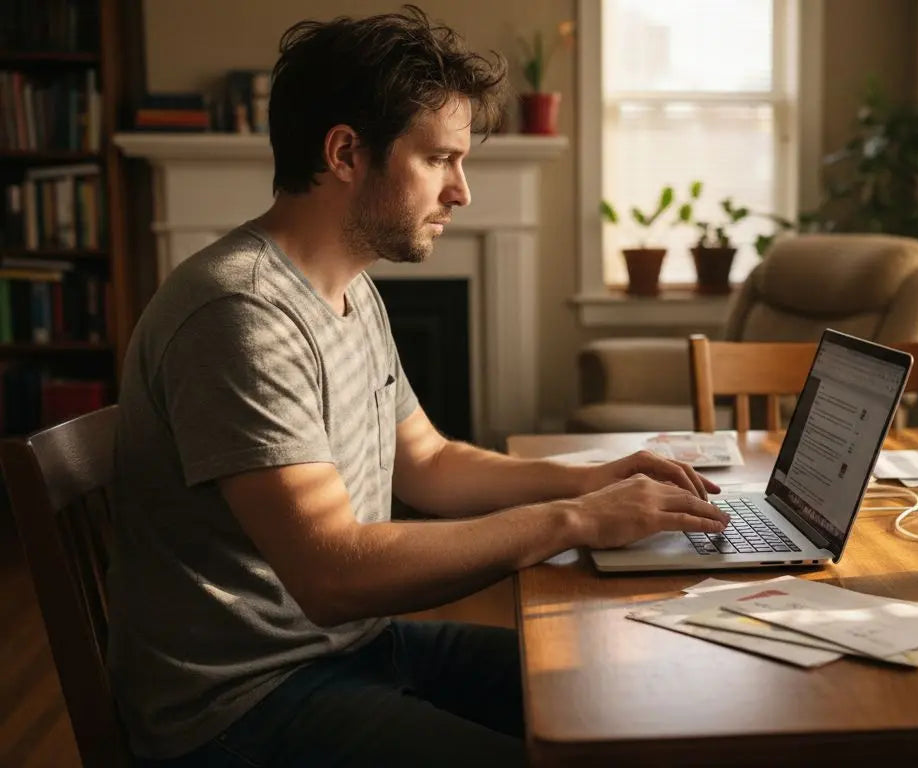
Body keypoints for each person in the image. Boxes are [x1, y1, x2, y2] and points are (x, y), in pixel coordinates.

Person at [107, 7, 729, 766]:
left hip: (348, 651)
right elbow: (332, 572)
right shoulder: (239, 313)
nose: (461, 191)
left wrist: (595, 479)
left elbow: (428, 462)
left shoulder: (348, 289)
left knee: (636, 698)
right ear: (345, 153)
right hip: (244, 705)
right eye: (439, 159)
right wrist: (573, 519)